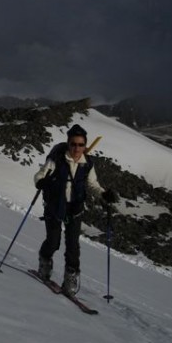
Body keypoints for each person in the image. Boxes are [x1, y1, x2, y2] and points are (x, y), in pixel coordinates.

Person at [34, 124, 117, 295]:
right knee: (53, 241)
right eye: (73, 144)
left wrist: (104, 194)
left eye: (80, 145)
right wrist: (41, 182)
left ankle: (70, 277)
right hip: (55, 206)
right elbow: (40, 174)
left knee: (73, 246)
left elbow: (92, 185)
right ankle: (45, 261)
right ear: (68, 143)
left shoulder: (87, 164)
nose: (76, 148)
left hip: (75, 209)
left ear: (85, 146)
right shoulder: (56, 159)